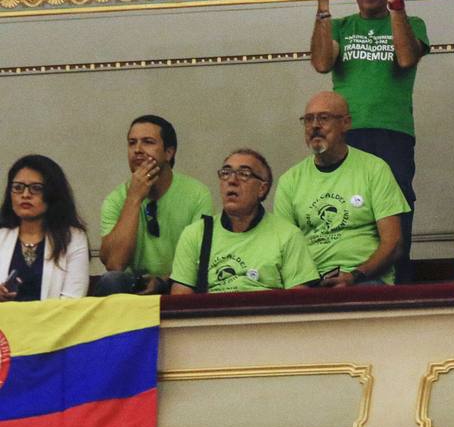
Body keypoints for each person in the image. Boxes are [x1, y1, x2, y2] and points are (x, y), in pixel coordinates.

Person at [307, 0, 428, 283]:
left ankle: (398, 283)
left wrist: (397, 1)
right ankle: (346, 273)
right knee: (346, 205)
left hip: (393, 133)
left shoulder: (412, 22)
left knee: (396, 209)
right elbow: (321, 63)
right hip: (345, 134)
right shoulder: (341, 26)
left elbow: (405, 57)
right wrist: (323, 4)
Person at [274, 91, 409, 286]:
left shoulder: (374, 168)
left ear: (346, 123)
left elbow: (394, 244)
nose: (314, 126)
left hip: (365, 279)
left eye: (324, 118)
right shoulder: (290, 180)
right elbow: (285, 250)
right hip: (312, 283)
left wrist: (354, 276)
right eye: (308, 119)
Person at [170, 150, 318, 294]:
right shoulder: (196, 234)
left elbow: (297, 303)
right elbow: (181, 302)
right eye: (226, 173)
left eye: (244, 174)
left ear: (262, 188)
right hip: (213, 317)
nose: (232, 181)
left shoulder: (288, 235)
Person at [96, 115, 212, 295]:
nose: (138, 150)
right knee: (111, 280)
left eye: (148, 142)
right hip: (134, 288)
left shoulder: (197, 194)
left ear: (169, 152)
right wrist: (134, 198)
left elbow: (200, 260)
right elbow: (114, 264)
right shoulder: (115, 199)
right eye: (132, 143)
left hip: (178, 282)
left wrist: (163, 281)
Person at [0, 155, 88, 302]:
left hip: (54, 322)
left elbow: (72, 301)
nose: (25, 195)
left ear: (53, 194)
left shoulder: (73, 238)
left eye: (36, 188)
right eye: (18, 188)